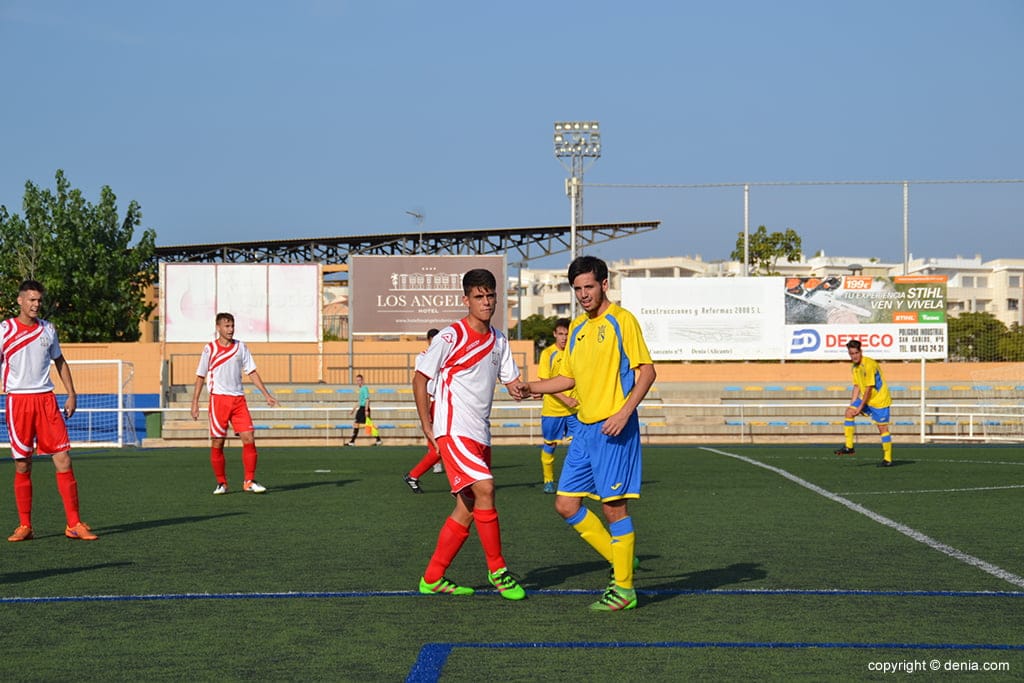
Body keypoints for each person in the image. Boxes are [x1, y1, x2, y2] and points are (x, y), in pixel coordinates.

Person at [513, 256, 656, 611]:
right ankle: (619, 558)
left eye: (588, 287)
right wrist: (533, 387)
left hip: (613, 428)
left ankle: (624, 589)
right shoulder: (577, 328)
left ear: (604, 284)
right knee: (565, 504)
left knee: (613, 509)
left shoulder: (623, 322)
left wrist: (624, 413)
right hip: (584, 429)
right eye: (577, 289)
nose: (582, 295)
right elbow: (570, 379)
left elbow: (648, 372)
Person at [413, 268, 526, 600]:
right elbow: (420, 379)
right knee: (486, 489)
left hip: (481, 433)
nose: (486, 302)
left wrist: (554, 389)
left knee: (466, 506)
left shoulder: (499, 340)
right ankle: (499, 571)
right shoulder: (451, 337)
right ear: (466, 300)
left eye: (490, 295)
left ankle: (432, 577)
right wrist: (427, 425)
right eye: (479, 296)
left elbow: (513, 384)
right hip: (453, 429)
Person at [1, 279, 97, 541]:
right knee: (22, 464)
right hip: (17, 401)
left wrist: (72, 393)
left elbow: (59, 360)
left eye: (39, 300)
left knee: (63, 458)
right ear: (20, 300)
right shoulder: (5, 330)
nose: (36, 304)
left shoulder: (48, 330)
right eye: (31, 299)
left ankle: (74, 523)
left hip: (46, 400)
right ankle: (25, 525)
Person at [190, 312, 279, 494]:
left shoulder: (240, 347)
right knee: (218, 442)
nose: (230, 330)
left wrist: (266, 394)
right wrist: (195, 401)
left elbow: (251, 371)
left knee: (249, 438)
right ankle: (221, 483)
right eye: (226, 326)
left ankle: (249, 481)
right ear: (218, 328)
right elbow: (200, 375)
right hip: (218, 400)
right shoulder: (210, 349)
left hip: (238, 400)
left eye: (232, 326)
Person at [536, 318, 579, 494]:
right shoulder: (548, 354)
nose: (564, 338)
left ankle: (575, 481)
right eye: (560, 334)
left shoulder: (576, 352)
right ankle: (548, 480)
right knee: (550, 445)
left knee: (580, 446)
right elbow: (546, 382)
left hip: (575, 410)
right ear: (555, 334)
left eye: (567, 334)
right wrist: (566, 399)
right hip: (553, 410)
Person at [834, 339, 893, 467]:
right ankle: (849, 447)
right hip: (867, 399)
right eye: (851, 353)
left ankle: (887, 458)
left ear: (861, 351)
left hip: (879, 400)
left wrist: (860, 407)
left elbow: (868, 389)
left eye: (856, 353)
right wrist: (852, 405)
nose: (854, 356)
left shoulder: (869, 365)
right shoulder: (854, 367)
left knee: (882, 428)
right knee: (849, 412)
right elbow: (856, 386)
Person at [404, 328, 443, 493]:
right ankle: (414, 474)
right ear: (428, 341)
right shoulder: (422, 357)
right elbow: (422, 384)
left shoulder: (445, 354)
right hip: (436, 402)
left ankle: (414, 475)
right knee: (441, 447)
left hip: (446, 402)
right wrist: (425, 410)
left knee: (446, 446)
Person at [346, 374, 382, 447]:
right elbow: (360, 401)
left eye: (359, 380)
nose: (358, 382)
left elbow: (367, 399)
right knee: (361, 424)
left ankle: (352, 441)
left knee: (364, 424)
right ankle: (378, 440)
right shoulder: (361, 389)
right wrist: (353, 409)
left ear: (362, 380)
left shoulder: (364, 388)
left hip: (364, 408)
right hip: (361, 408)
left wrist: (366, 410)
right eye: (357, 381)